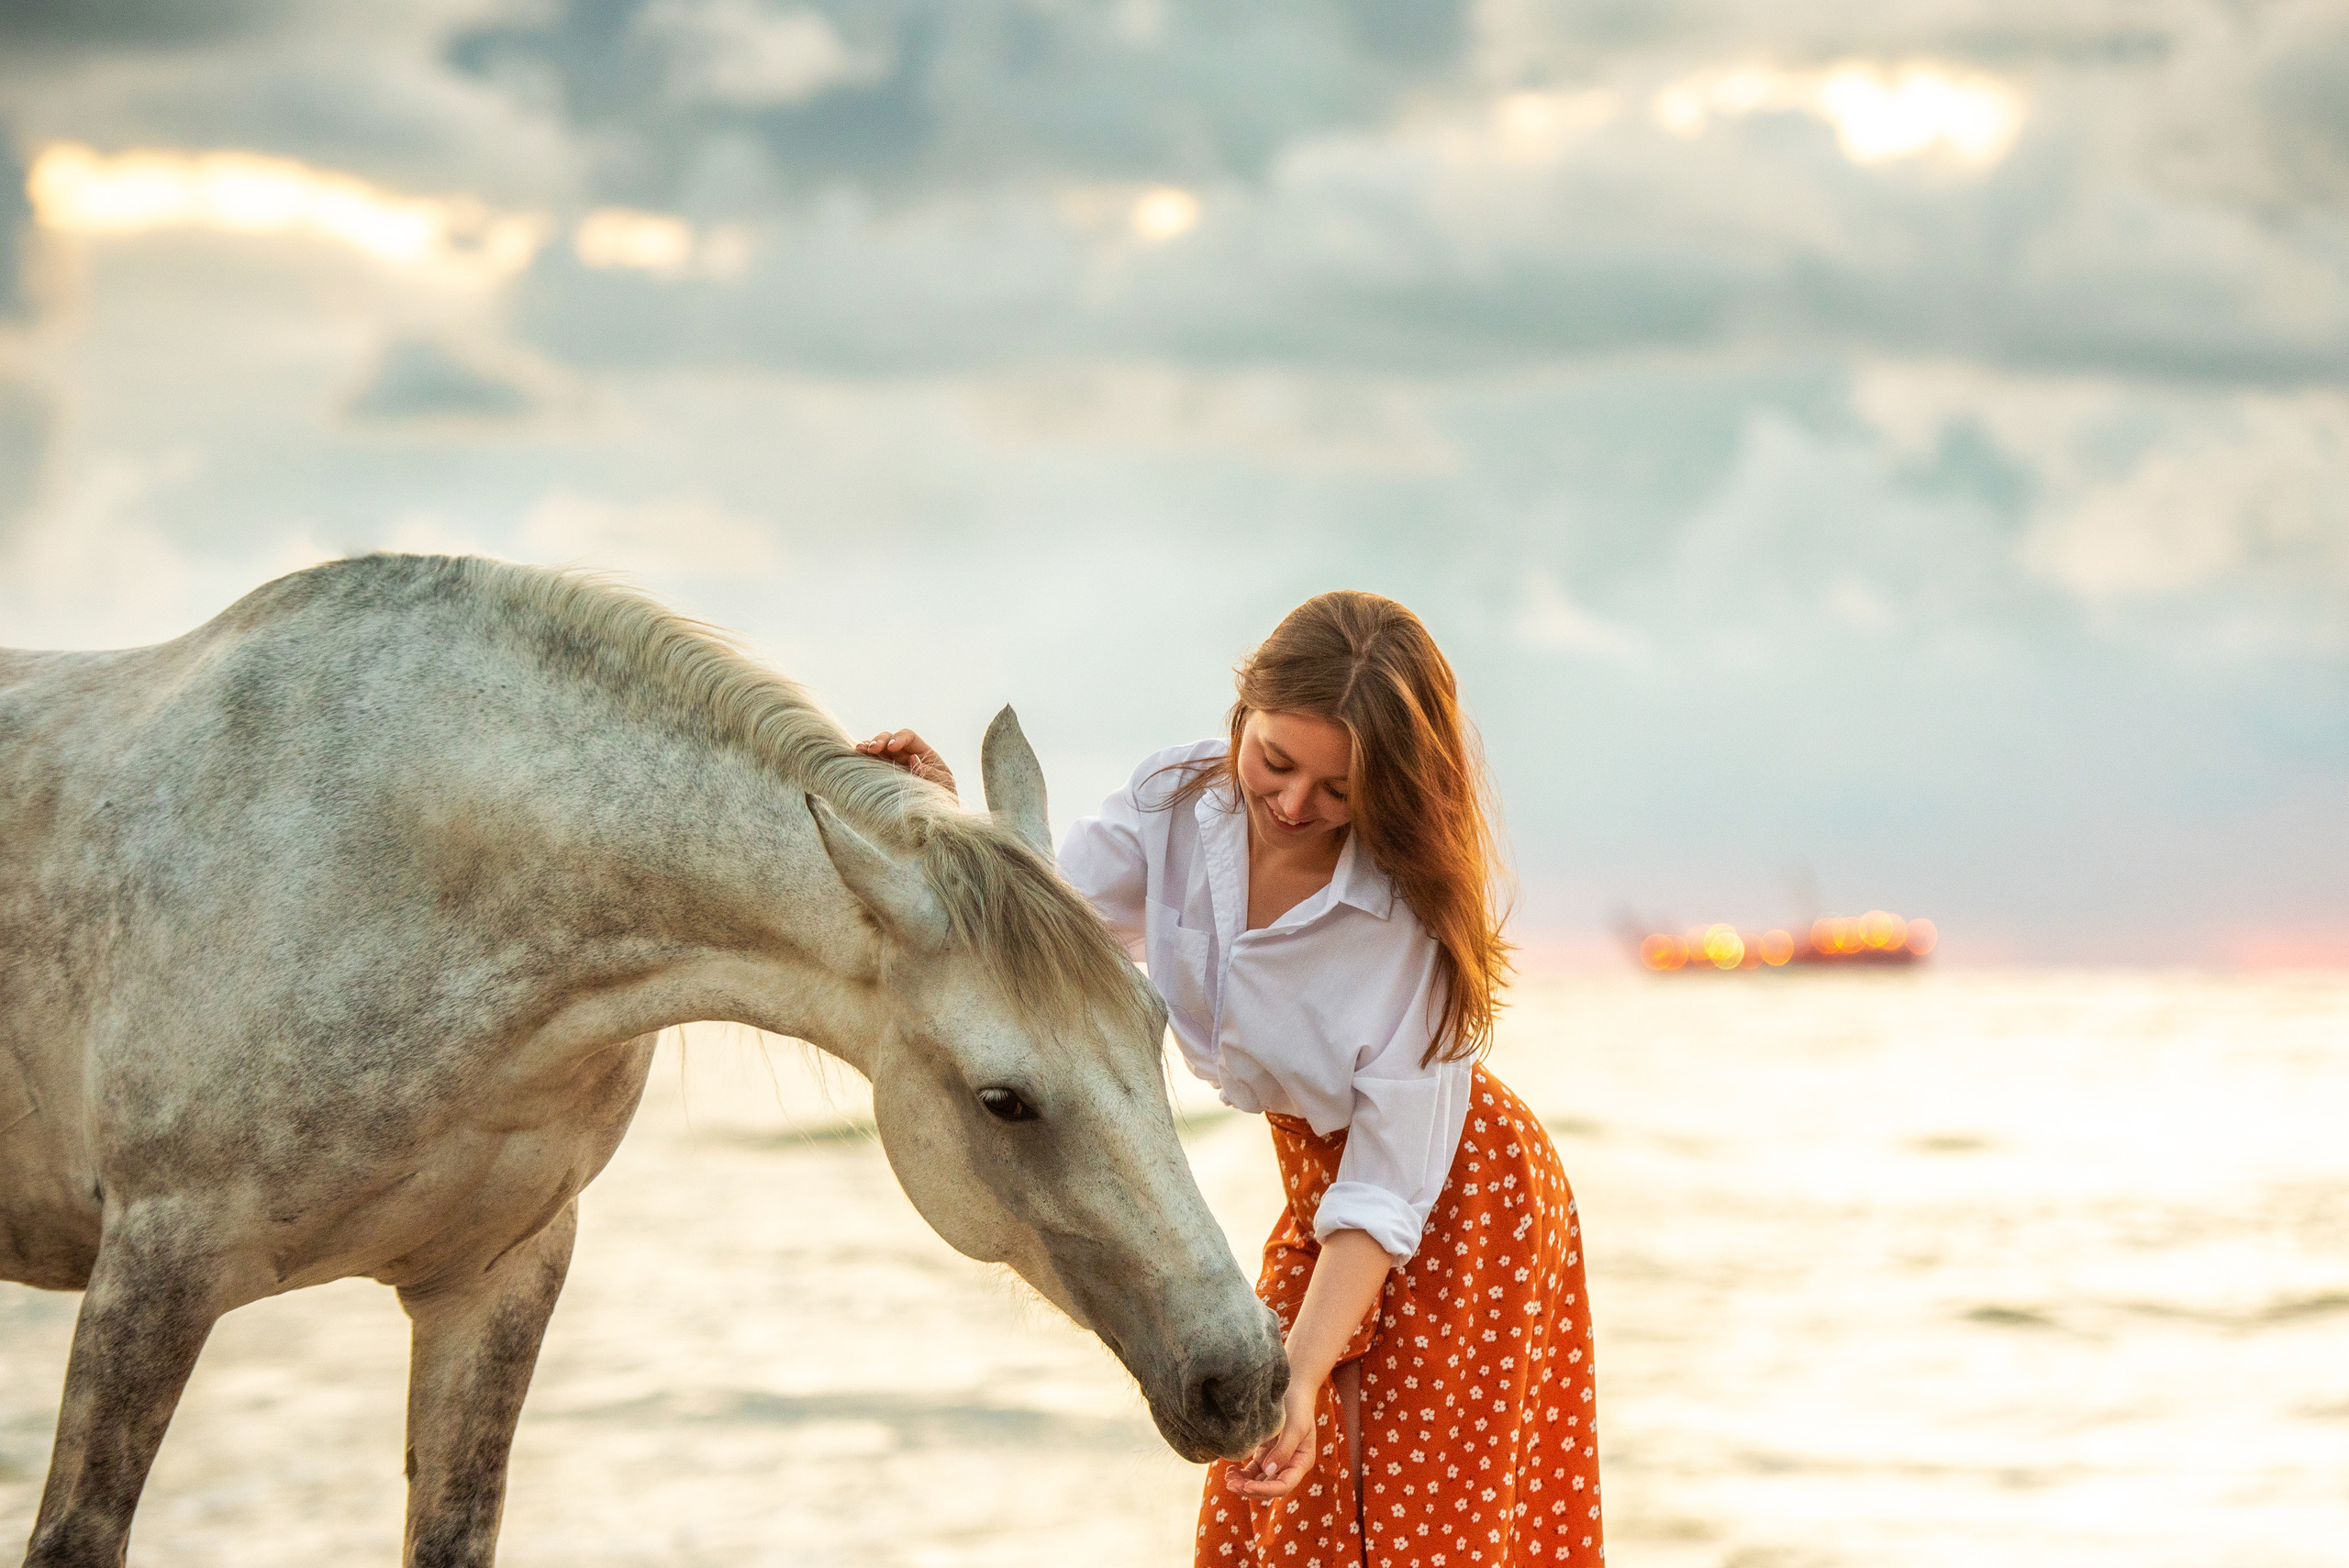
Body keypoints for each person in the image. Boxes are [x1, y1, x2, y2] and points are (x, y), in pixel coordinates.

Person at [857, 591, 1602, 1568]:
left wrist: (1304, 1370)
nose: (1294, 804)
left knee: (1405, 1515)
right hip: (1317, 1192)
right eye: (1275, 761)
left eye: (1338, 788)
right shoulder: (1175, 803)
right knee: (1273, 1496)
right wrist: (941, 812)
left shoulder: (1405, 917)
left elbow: (1384, 1190)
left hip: (1460, 1198)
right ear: (1242, 711)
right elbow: (1045, 926)